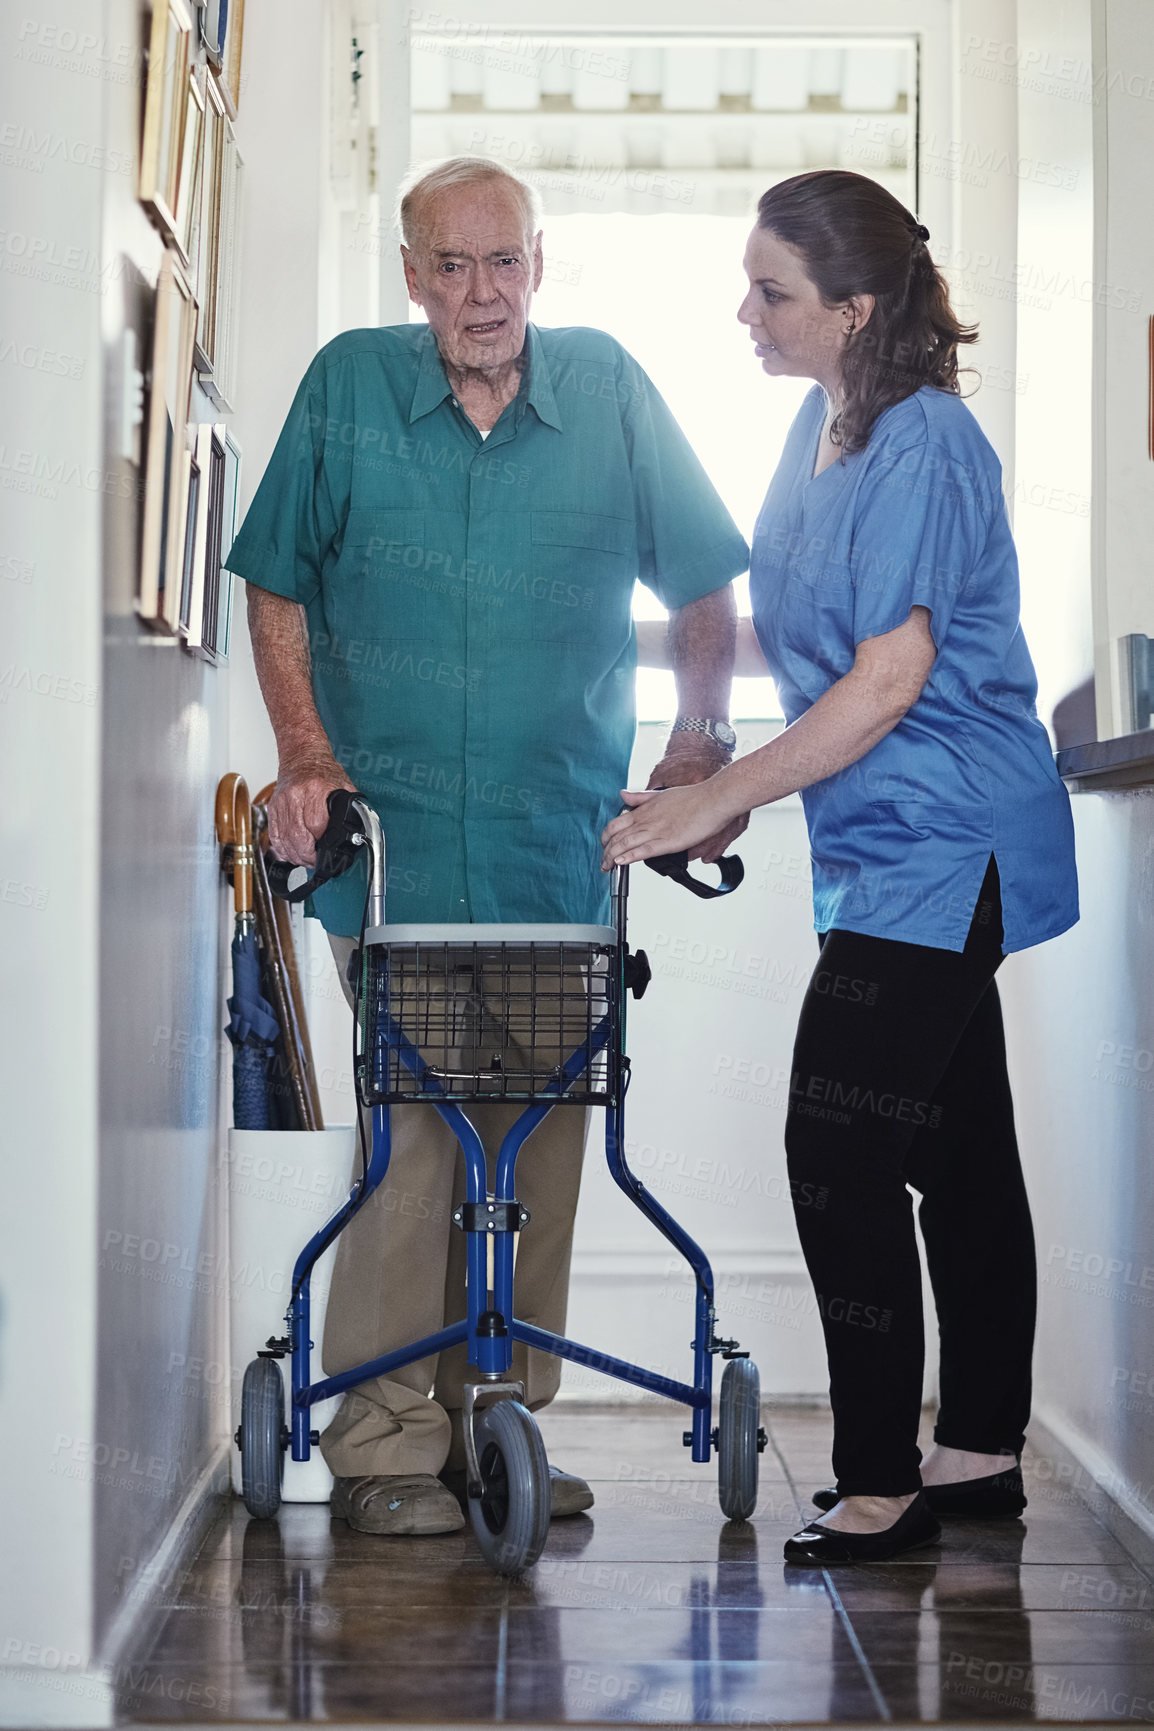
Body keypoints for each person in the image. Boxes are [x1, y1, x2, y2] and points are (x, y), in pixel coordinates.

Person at [226, 156, 748, 1537]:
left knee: (546, 1145)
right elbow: (275, 588)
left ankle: (496, 1421)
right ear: (411, 277)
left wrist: (695, 741)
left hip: (560, 851)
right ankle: (385, 1443)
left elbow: (704, 582)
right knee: (416, 1149)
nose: (482, 293)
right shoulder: (348, 385)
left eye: (503, 262)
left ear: (540, 262)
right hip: (393, 853)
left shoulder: (610, 390)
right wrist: (304, 755)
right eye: (451, 267)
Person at [602, 169, 1078, 1564]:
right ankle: (978, 1452)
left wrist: (720, 797)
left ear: (854, 309)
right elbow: (799, 645)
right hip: (880, 851)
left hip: (950, 836)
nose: (742, 312)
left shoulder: (923, 443)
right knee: (957, 1154)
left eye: (771, 292)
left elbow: (883, 679)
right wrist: (608, 650)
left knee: (835, 1149)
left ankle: (879, 1483)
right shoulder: (820, 430)